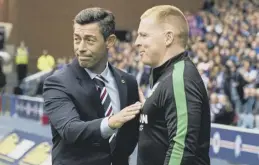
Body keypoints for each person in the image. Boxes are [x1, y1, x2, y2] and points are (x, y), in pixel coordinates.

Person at [43, 8, 141, 165]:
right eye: (77, 39)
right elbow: (70, 130)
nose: (81, 47)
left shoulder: (128, 82)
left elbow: (130, 134)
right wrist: (110, 123)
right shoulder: (57, 83)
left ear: (109, 41)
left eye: (89, 40)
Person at [135, 5, 211, 165]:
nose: (137, 42)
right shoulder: (166, 75)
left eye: (143, 35)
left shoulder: (180, 78)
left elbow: (181, 149)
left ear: (168, 38)